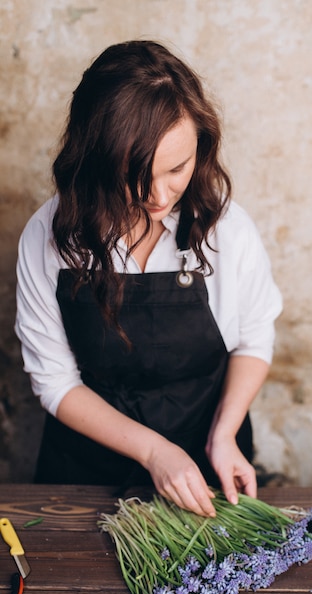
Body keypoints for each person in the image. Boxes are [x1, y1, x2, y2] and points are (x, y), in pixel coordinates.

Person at [15, 40, 282, 517]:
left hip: (204, 459)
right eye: (136, 176)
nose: (160, 195)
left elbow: (254, 337)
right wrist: (154, 451)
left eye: (177, 168)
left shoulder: (228, 229)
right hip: (85, 470)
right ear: (96, 160)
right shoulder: (48, 236)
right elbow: (55, 380)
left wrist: (223, 434)